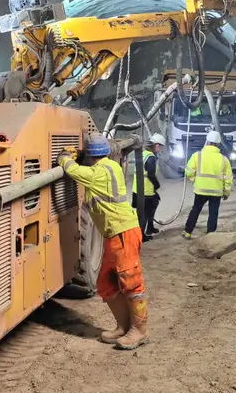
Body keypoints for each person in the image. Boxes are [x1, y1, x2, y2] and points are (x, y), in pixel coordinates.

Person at [57, 133, 149, 350]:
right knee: (106, 285)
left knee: (131, 283)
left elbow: (73, 171)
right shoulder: (110, 166)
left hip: (123, 232)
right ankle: (124, 326)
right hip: (113, 234)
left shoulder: (98, 173)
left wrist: (64, 157)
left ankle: (140, 330)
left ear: (90, 156)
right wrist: (80, 155)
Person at [182, 130, 232, 239]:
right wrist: (226, 192)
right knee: (213, 214)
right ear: (218, 144)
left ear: (207, 141)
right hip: (216, 192)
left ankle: (187, 232)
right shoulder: (224, 159)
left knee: (195, 210)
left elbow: (188, 171)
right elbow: (228, 179)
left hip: (200, 190)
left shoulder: (197, 156)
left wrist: (194, 179)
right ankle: (210, 236)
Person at [131, 133, 166, 241]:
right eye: (161, 146)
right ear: (156, 145)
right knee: (144, 214)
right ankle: (141, 235)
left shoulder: (143, 153)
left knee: (154, 203)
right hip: (146, 191)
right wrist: (157, 185)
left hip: (137, 189)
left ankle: (150, 227)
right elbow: (151, 174)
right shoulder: (150, 158)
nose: (161, 149)